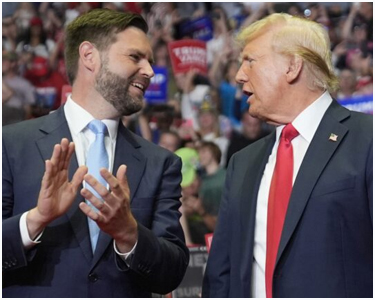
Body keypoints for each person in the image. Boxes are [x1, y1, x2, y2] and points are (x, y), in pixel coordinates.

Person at [3, 9, 189, 298]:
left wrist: (128, 232)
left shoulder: (161, 163)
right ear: (89, 56)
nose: (150, 71)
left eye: (150, 61)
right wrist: (36, 219)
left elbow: (172, 273)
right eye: (135, 57)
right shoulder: (10, 145)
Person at [202, 13, 372, 298]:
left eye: (250, 61)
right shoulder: (242, 162)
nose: (239, 75)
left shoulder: (367, 139)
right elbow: (222, 272)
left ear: (293, 66)